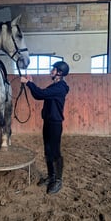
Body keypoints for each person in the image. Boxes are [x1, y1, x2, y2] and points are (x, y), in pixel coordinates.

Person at [20, 61, 70, 194]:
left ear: (59, 72)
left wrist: (28, 83)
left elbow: (41, 94)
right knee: (48, 151)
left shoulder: (60, 87)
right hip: (48, 122)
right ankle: (51, 176)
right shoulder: (55, 86)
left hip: (55, 124)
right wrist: (30, 83)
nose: (51, 71)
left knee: (55, 153)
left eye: (54, 69)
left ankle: (58, 180)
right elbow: (38, 94)